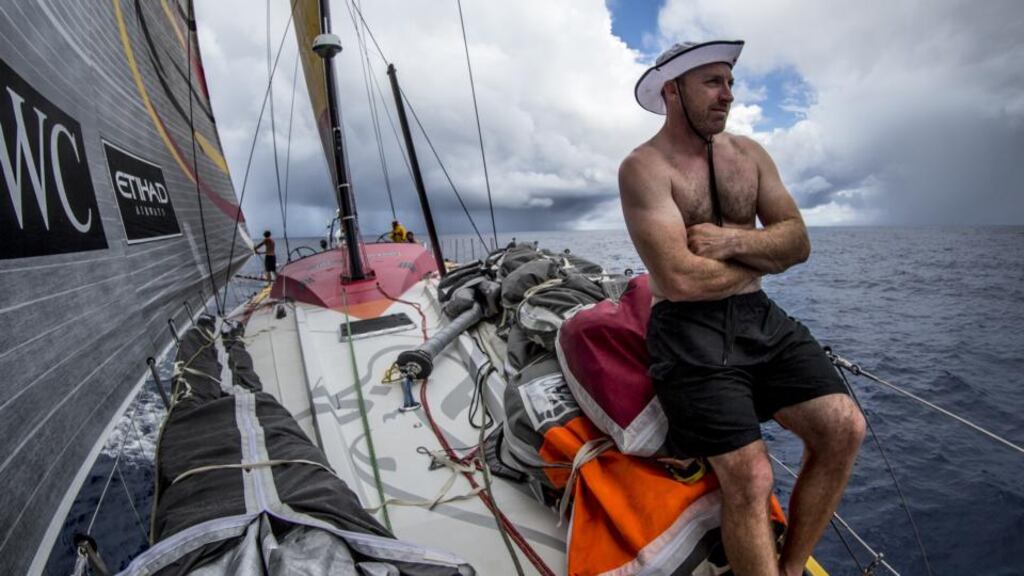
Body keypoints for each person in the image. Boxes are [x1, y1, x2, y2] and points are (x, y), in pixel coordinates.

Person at [619, 41, 865, 576]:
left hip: (759, 318)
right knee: (751, 477)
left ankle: (792, 567)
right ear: (672, 90)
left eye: (729, 82)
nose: (727, 94)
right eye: (711, 82)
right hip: (687, 330)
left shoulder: (749, 156)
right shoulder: (644, 168)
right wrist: (767, 251)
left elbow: (798, 241)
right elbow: (679, 279)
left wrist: (732, 245)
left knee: (844, 426)